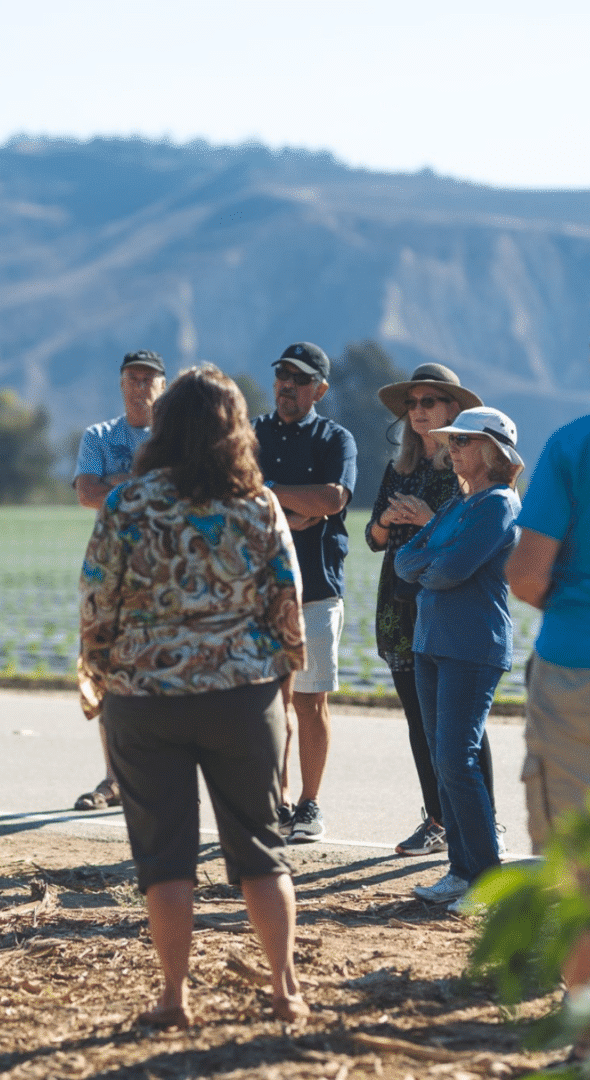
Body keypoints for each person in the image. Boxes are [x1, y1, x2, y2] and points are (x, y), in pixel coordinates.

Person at [78, 365, 308, 1028]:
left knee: (165, 859)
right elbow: (286, 605)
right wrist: (282, 688)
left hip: (144, 699)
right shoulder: (258, 504)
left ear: (164, 425)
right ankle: (285, 991)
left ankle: (175, 998)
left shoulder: (125, 504)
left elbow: (97, 605)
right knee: (262, 853)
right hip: (243, 695)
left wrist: (100, 681)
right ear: (233, 431)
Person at [366, 364, 500, 856]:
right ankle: (438, 819)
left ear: (452, 411)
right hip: (397, 607)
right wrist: (383, 520)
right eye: (412, 403)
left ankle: (485, 823)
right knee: (419, 721)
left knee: (463, 725)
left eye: (429, 402)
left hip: (445, 605)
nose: (418, 411)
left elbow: (467, 538)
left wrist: (423, 520)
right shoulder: (397, 468)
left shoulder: (468, 471)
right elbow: (373, 541)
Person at [394, 407, 522, 911]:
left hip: (473, 647)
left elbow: (450, 570)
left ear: (492, 451)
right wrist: (433, 564)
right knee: (443, 759)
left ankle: (487, 880)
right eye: (454, 441)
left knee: (455, 758)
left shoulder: (498, 504)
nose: (453, 448)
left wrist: (432, 564)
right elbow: (407, 560)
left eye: (464, 441)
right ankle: (460, 870)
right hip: (432, 642)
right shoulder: (458, 502)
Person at [253, 342, 357, 843]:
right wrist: (292, 504)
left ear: (320, 388)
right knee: (267, 703)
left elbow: (333, 498)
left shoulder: (336, 438)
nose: (287, 385)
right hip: (257, 590)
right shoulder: (251, 433)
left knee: (309, 702)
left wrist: (267, 492)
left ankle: (310, 805)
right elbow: (233, 490)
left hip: (316, 588)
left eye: (298, 378)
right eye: (282, 375)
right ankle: (278, 800)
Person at [506, 406, 590, 1005]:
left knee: (574, 861)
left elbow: (527, 574)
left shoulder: (572, 445)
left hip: (575, 667)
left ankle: (584, 1024)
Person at [72, 349, 166, 811]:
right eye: (132, 377)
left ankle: (155, 774)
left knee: (161, 669)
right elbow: (88, 493)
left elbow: (177, 491)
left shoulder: (175, 437)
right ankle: (113, 779)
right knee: (108, 669)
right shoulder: (98, 435)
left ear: (163, 386)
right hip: (111, 568)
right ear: (121, 383)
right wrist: (142, 483)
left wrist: (119, 482)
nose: (140, 385)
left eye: (149, 378)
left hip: (165, 569)